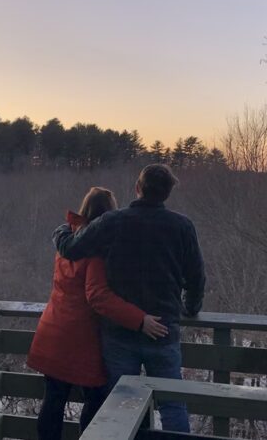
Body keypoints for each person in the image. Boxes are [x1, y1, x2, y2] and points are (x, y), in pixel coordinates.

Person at [52, 164, 205, 433]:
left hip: (119, 334)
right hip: (164, 330)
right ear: (167, 194)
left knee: (120, 405)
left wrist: (61, 231)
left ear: (138, 188)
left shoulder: (113, 221)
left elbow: (72, 249)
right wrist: (190, 309)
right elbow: (196, 278)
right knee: (172, 405)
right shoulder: (182, 226)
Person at [27, 187, 169, 440]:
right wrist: (139, 319)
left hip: (52, 330)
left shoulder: (67, 241)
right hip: (79, 337)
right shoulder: (96, 252)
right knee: (97, 398)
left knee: (54, 400)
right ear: (108, 215)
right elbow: (98, 297)